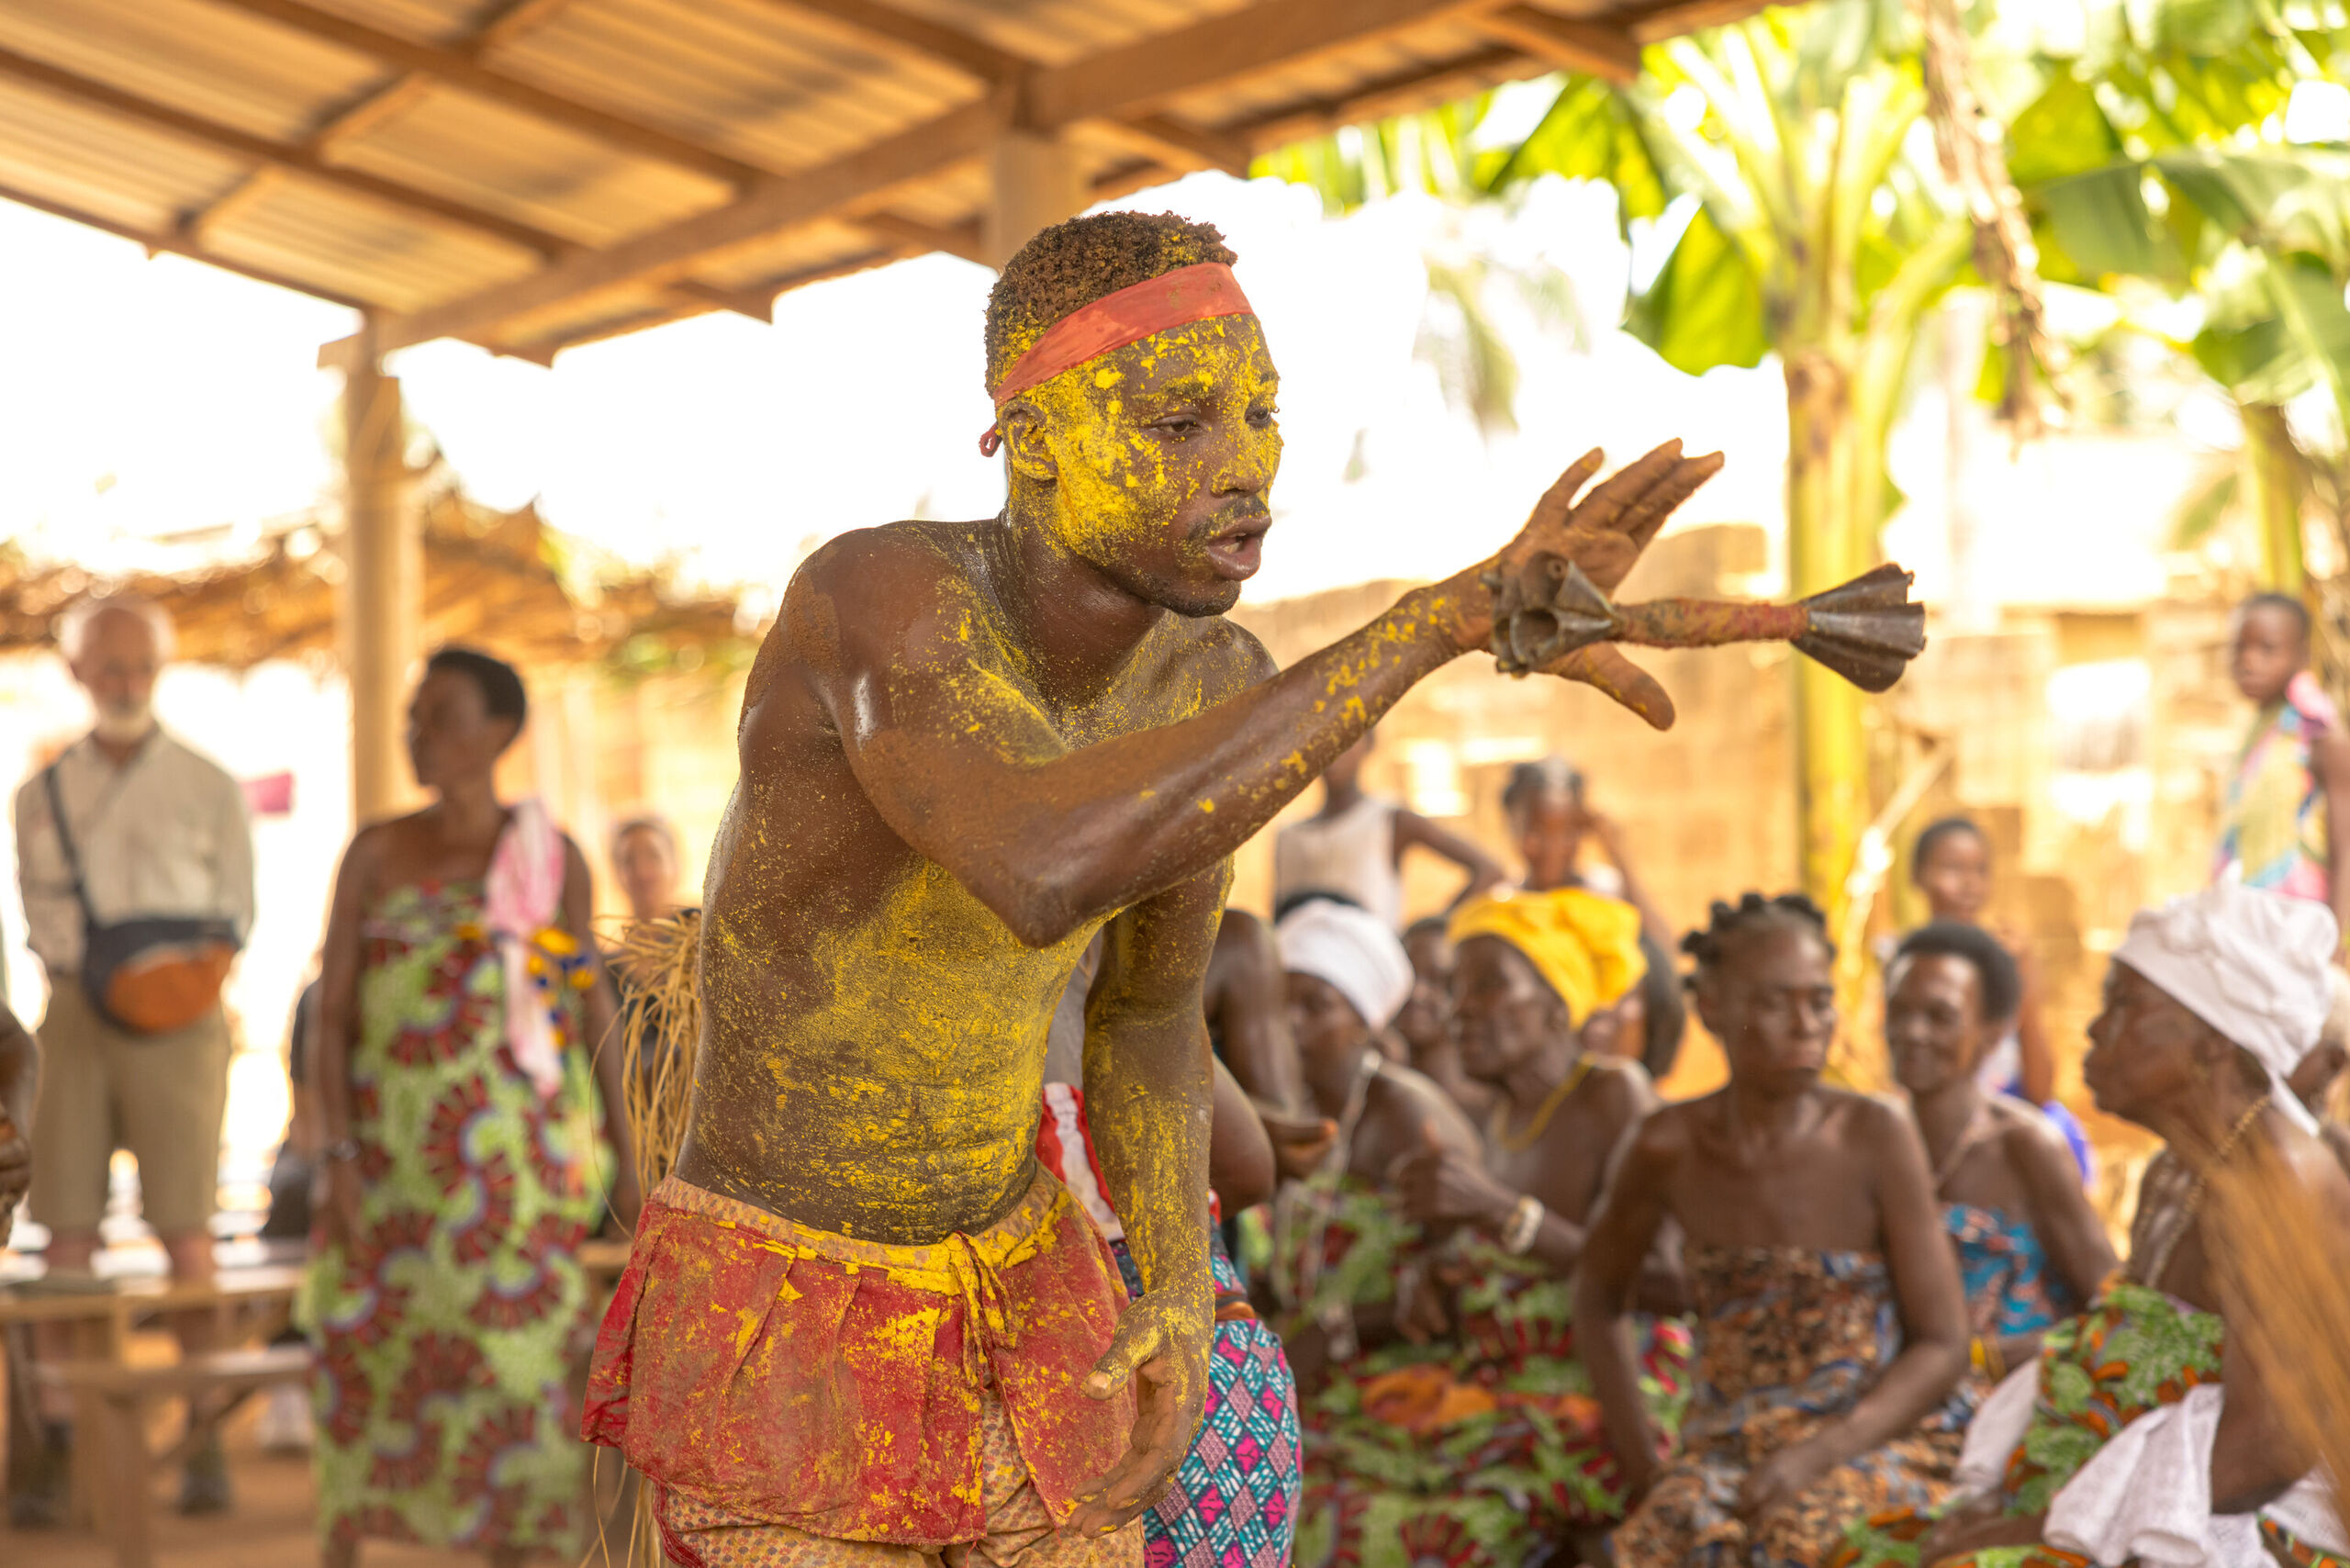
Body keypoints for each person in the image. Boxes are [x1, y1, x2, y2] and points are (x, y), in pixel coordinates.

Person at [576, 208, 1721, 1563]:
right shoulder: (883, 595)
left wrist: (1176, 1287)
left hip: (1019, 1286)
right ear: (1039, 441)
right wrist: (1426, 630)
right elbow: (1039, 867)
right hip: (788, 1303)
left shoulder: (1210, 682)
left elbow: (1147, 1020)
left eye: (1261, 412)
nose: (1246, 466)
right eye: (1183, 423)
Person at [1837, 882, 2350, 1568]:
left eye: (2125, 1007)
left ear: (2212, 1040)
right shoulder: (2183, 1168)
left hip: (2216, 1525)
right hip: (2110, 1496)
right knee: (1868, 1544)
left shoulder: (2278, 1181)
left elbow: (2269, 1448)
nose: (2095, 1029)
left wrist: (2044, 1529)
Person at [303, 645, 641, 1565]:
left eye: (440, 715)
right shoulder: (376, 852)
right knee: (376, 1354)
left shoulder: (547, 858)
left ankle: (520, 1547)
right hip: (392, 1171)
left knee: (521, 1369)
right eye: (414, 715)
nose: (419, 732)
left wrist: (630, 1159)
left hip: (522, 1177)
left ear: (499, 733)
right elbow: (330, 1019)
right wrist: (331, 1159)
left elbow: (584, 1000)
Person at [1577, 892, 1970, 1568]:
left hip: (1877, 1433)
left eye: (1819, 1001)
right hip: (1729, 1442)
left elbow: (1944, 1343)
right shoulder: (1668, 1146)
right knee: (1665, 1539)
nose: (1805, 1023)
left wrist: (1818, 1453)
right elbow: (1598, 1295)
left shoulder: (1875, 1134)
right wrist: (1645, 1460)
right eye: (1773, 1002)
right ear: (1712, 1009)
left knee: (1803, 1538)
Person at [1352, 886, 1695, 1562]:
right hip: (1504, 1398)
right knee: (1322, 1454)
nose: (1459, 1011)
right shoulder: (1492, 1124)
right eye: (1454, 989)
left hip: (1609, 1396)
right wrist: (1441, 1278)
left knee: (1415, 1530)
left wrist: (1501, 1213)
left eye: (1488, 986)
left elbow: (1666, 1282)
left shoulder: (1612, 1095)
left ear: (1556, 1003)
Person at [11, 594, 254, 1519]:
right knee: (63, 1231)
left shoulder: (207, 783)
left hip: (183, 1017)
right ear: (76, 672)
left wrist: (176, 989)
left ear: (161, 669)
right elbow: (40, 922)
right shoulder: (39, 794)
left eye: (140, 666)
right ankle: (65, 1444)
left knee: (188, 1231)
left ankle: (202, 1442)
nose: (124, 683)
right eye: (106, 666)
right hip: (71, 1010)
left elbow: (237, 911)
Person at [1038, 942, 1303, 1568]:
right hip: (1217, 1376)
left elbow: (1248, 1167)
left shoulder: (1076, 979)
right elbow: (1248, 1168)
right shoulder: (1116, 977)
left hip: (1121, 1382)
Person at [1881, 924, 2114, 1383]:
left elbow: (2115, 1310)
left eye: (1939, 1016)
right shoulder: (1873, 1139)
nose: (1913, 1032)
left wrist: (1986, 1361)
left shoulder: (2025, 1146)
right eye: (1899, 1012)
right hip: (1893, 1398)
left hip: (2008, 1402)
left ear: (1993, 1032)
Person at [1907, 818, 2089, 1181]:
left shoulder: (2006, 960)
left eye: (1980, 870)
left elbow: (2040, 1092)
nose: (1969, 883)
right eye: (1952, 868)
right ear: (1917, 876)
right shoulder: (1898, 965)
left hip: (2003, 1126)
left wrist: (2023, 990)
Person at [1503, 756, 1679, 1074]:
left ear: (1580, 831)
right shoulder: (1506, 908)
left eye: (1562, 831)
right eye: (1530, 830)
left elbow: (1663, 953)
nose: (1540, 846)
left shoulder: (1605, 892)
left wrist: (1616, 851)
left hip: (1611, 1060)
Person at [1273, 726, 1509, 926]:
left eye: (1345, 741)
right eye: (1322, 741)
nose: (1334, 752)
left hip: (1369, 974)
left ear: (1369, 744)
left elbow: (1490, 870)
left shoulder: (1388, 820)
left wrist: (1430, 932)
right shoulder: (1289, 836)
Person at [2216, 592, 2350, 943]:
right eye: (2239, 648)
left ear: (2302, 655)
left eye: (2267, 648)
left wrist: (2333, 950)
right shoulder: (2263, 732)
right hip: (2254, 930)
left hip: (2299, 934)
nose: (2248, 661)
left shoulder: (2319, 735)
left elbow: (2345, 848)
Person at [1396, 913, 1492, 1116]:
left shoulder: (1483, 1106)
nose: (1416, 993)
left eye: (1438, 980)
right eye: (1406, 975)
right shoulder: (1365, 1089)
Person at [610, 811, 683, 924]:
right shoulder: (617, 940)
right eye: (629, 861)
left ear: (675, 864)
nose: (642, 873)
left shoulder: (707, 932)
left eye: (654, 857)